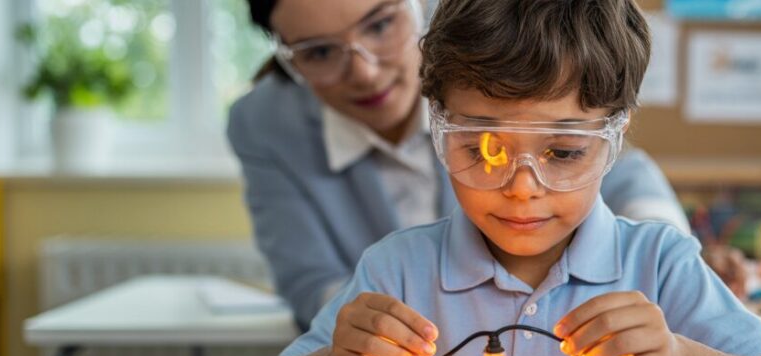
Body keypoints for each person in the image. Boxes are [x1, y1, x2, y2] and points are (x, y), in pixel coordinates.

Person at [243, 0, 761, 356]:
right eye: (486, 149)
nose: (523, 187)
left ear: (612, 143)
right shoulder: (399, 269)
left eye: (564, 152)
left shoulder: (659, 264)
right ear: (441, 131)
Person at [229, 0, 690, 331]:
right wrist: (396, 321)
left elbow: (613, 162)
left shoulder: (475, 61)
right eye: (320, 52)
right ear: (288, 57)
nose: (364, 71)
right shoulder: (266, 123)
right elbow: (308, 277)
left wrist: (665, 274)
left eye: (380, 25)